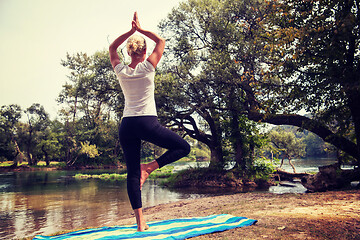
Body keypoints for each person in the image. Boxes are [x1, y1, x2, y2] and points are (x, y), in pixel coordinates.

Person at [109, 12, 191, 232]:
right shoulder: (148, 68)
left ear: (128, 52)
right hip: (146, 123)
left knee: (132, 174)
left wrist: (130, 31)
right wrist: (140, 29)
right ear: (144, 51)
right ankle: (150, 168)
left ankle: (140, 223)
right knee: (183, 147)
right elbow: (161, 41)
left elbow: (111, 49)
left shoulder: (122, 71)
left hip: (127, 126)